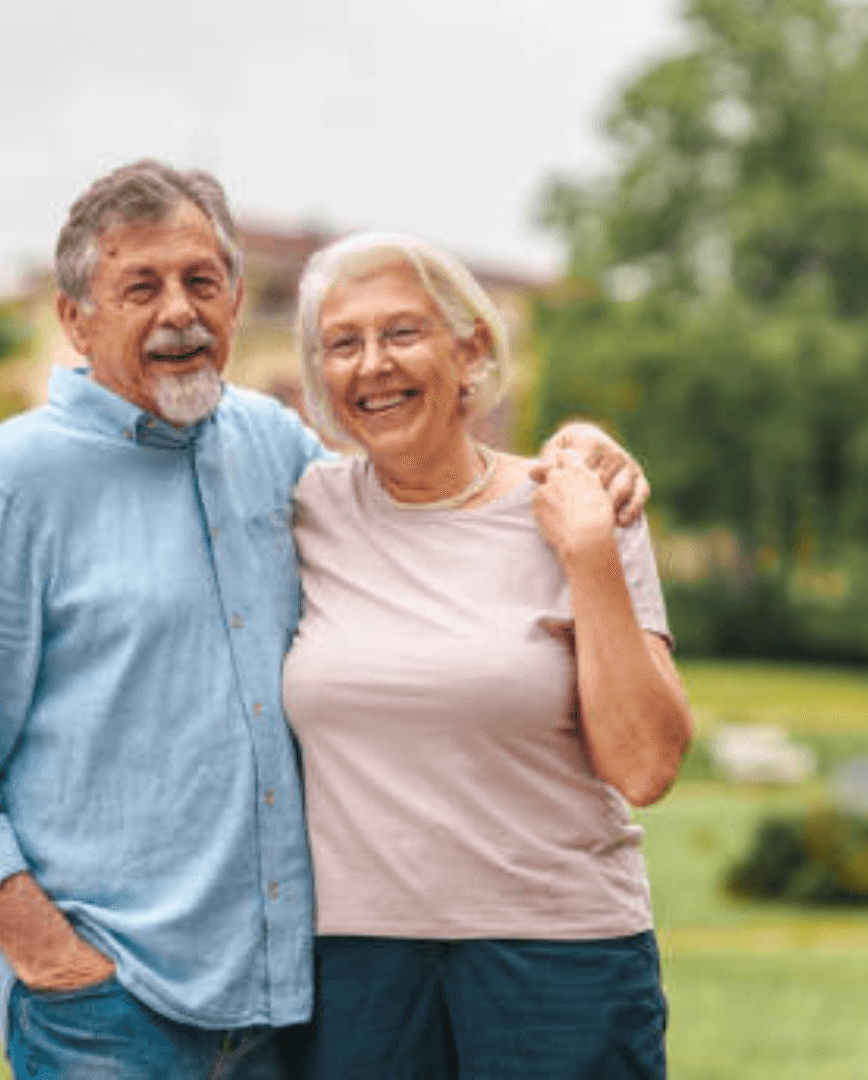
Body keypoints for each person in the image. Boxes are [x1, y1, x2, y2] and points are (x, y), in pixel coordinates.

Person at [0, 162, 649, 1080]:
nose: (181, 312)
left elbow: (423, 477)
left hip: (280, 1007)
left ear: (237, 299)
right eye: (141, 287)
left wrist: (578, 452)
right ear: (76, 317)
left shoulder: (273, 449)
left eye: (202, 281)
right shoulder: (3, 489)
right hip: (108, 1013)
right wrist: (56, 966)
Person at [282, 232, 694, 1079]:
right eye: (343, 343)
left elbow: (647, 763)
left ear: (470, 348)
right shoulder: (299, 510)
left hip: (562, 963)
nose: (372, 366)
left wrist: (589, 556)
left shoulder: (581, 503)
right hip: (359, 969)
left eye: (402, 333)